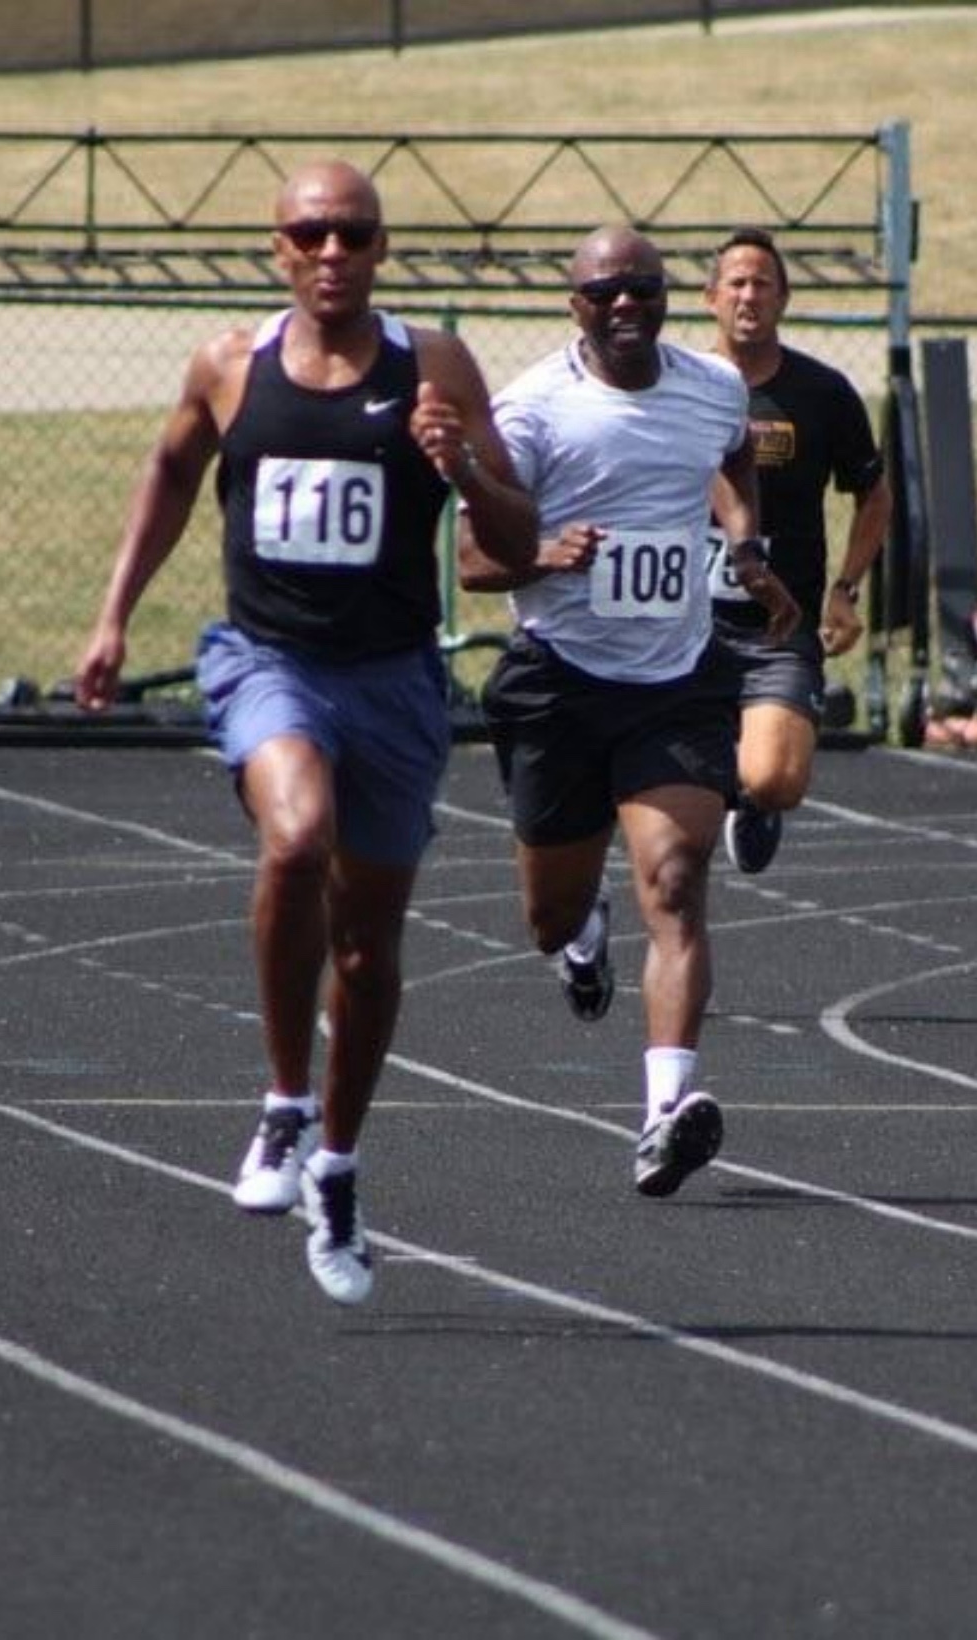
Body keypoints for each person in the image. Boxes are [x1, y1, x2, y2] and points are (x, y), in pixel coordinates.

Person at [74, 161, 536, 1303]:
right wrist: (112, 617)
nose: (332, 252)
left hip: (393, 680)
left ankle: (336, 1159)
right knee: (294, 840)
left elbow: (517, 540)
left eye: (353, 234)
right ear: (277, 248)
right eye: (309, 233)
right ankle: (283, 1100)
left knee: (369, 949)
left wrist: (461, 463)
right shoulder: (230, 364)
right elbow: (172, 471)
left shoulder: (434, 367)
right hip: (269, 660)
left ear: (382, 248)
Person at [459, 224, 798, 1198]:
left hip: (674, 681)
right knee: (547, 910)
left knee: (679, 874)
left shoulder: (712, 388)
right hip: (558, 682)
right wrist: (542, 555)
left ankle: (663, 1111)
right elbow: (476, 564)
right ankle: (578, 936)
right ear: (574, 305)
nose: (623, 306)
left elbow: (733, 463)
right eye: (603, 291)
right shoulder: (529, 412)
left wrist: (742, 549)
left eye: (640, 290)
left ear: (664, 299)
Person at [702, 228, 893, 874]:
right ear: (710, 298)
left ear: (783, 298)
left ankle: (750, 799)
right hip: (682, 626)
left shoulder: (822, 393)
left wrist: (845, 588)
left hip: (778, 629)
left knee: (777, 781)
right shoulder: (678, 388)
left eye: (761, 283)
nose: (748, 295)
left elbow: (873, 494)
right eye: (735, 283)